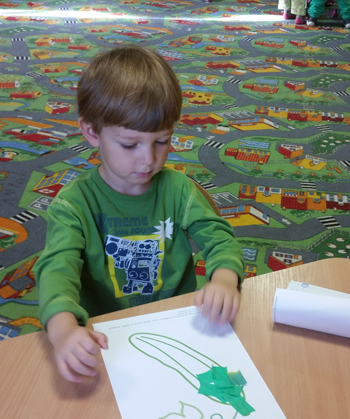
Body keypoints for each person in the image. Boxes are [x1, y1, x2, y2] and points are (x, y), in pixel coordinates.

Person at [35, 45, 245, 383]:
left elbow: (220, 238)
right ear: (91, 132)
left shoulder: (179, 190)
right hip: (105, 339)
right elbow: (56, 269)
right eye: (130, 145)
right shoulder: (73, 206)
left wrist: (224, 278)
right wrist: (62, 329)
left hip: (177, 324)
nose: (148, 159)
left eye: (162, 141)